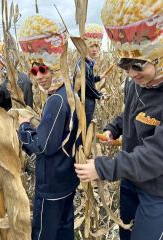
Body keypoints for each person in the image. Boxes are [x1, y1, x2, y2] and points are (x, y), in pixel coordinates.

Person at [75, 1, 163, 240]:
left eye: (138, 65)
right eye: (125, 65)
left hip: (156, 192)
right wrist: (113, 128)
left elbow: (156, 157)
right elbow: (129, 115)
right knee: (126, 233)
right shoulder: (134, 84)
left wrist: (103, 168)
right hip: (130, 181)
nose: (131, 73)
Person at [17, 15, 79, 240]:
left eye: (43, 70)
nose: (39, 77)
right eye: (34, 72)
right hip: (67, 179)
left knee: (45, 233)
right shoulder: (69, 92)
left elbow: (43, 145)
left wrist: (23, 128)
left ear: (54, 66)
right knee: (64, 230)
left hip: (52, 184)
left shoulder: (56, 100)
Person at [73, 24, 105, 128]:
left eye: (97, 46)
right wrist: (100, 95)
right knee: (83, 128)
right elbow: (87, 87)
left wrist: (99, 77)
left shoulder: (87, 62)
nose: (95, 49)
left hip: (86, 100)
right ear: (85, 46)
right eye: (91, 46)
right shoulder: (83, 65)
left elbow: (89, 80)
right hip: (84, 102)